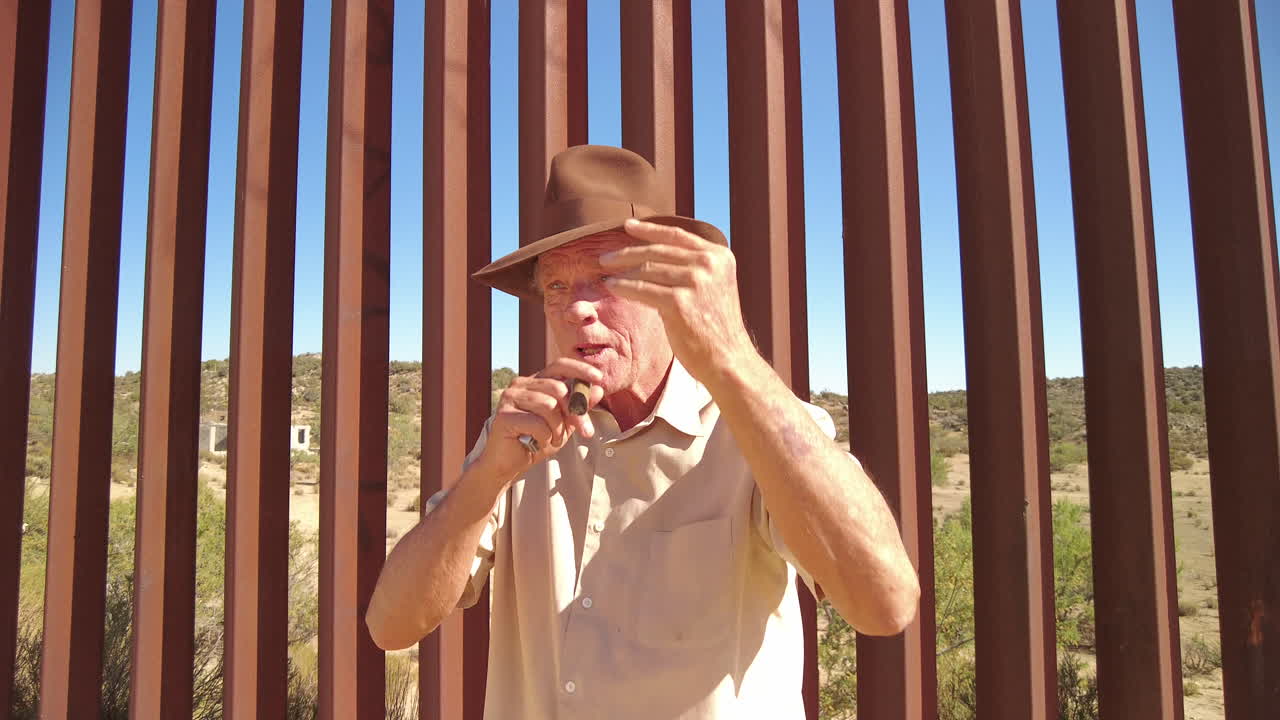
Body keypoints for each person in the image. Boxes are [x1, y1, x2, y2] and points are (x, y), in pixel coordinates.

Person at [367, 145, 919, 719]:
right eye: (556, 286)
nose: (577, 309)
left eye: (606, 276)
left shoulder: (754, 429)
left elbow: (885, 603)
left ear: (668, 289)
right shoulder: (521, 438)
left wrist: (731, 355)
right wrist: (484, 482)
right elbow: (391, 626)